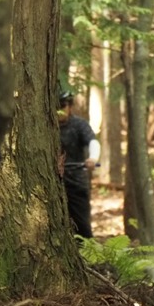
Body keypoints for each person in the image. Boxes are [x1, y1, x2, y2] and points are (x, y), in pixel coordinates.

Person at [58, 90, 100, 239]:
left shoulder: (79, 124)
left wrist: (93, 158)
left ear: (69, 107)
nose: (59, 111)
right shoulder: (46, 126)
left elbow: (92, 141)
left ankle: (88, 256)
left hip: (76, 182)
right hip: (54, 183)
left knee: (82, 225)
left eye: (62, 106)